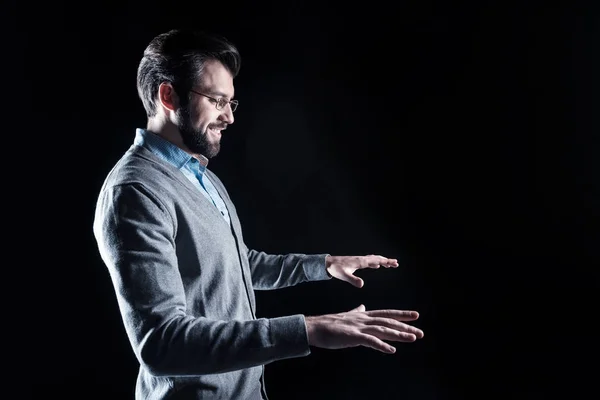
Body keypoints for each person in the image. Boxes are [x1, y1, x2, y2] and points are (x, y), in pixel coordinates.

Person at [93, 28, 424, 400]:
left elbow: (235, 266)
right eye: (218, 101)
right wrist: (308, 330)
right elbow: (162, 343)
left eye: (231, 103)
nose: (229, 118)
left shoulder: (203, 178)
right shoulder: (136, 192)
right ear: (168, 96)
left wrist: (324, 265)